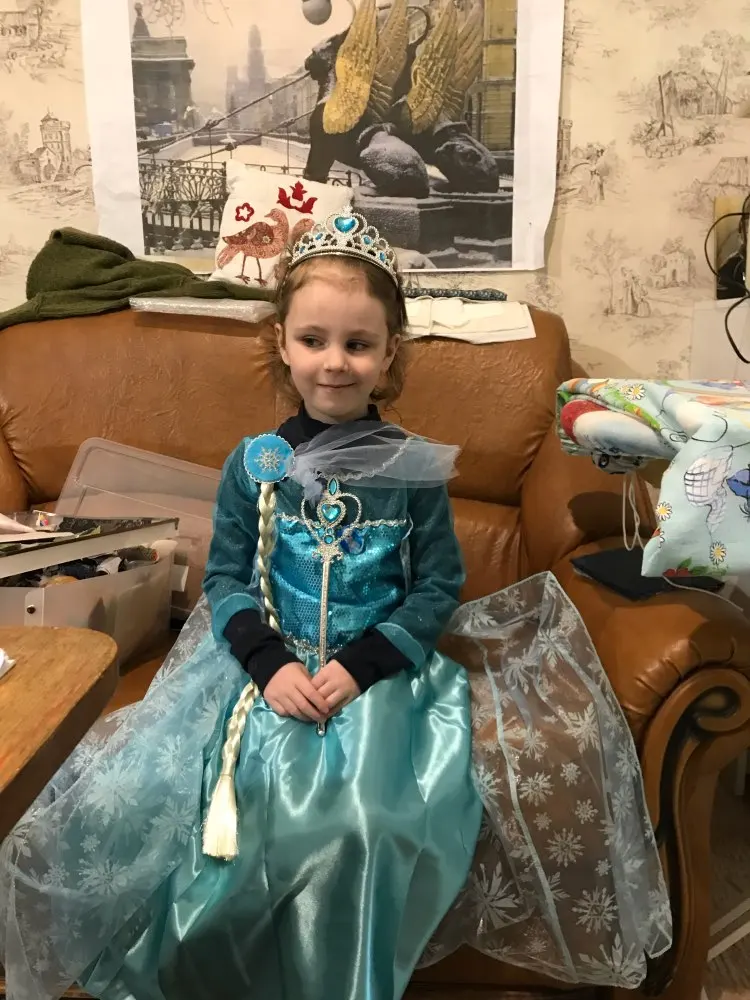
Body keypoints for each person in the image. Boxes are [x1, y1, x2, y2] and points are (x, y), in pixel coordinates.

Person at [0, 208, 671, 1000]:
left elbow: (436, 586)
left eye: (358, 344)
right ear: (281, 344)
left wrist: (360, 667)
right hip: (267, 672)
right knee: (215, 819)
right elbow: (226, 579)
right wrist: (268, 664)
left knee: (368, 824)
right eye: (314, 340)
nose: (335, 363)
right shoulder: (254, 464)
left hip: (376, 677)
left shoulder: (414, 468)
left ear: (389, 355)